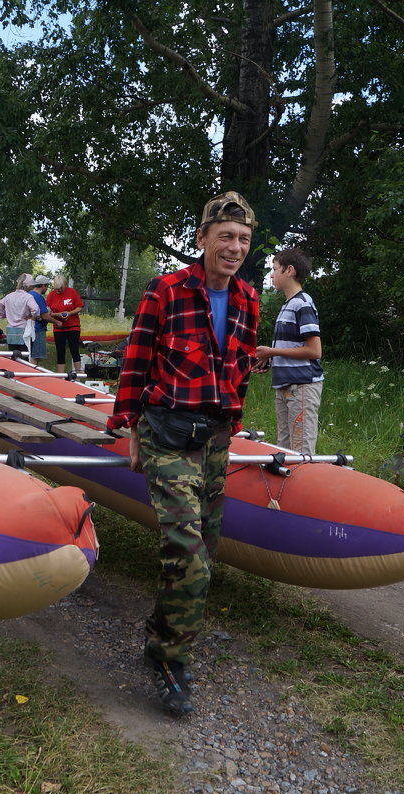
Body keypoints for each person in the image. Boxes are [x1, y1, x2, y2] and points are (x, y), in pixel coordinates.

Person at [107, 191, 260, 715]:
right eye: (225, 237)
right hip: (167, 432)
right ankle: (172, 660)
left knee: (205, 551)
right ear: (202, 240)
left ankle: (161, 632)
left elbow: (238, 367)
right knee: (189, 554)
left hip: (215, 437)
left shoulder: (249, 298)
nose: (234, 247)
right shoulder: (166, 290)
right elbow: (137, 359)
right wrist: (129, 428)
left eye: (243, 239)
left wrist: (234, 425)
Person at [254, 247, 324, 455]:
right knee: (282, 450)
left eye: (275, 269)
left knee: (301, 452)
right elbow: (291, 347)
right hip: (285, 386)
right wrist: (269, 359)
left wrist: (272, 352)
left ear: (290, 270)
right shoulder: (288, 305)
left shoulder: (303, 303)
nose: (271, 274)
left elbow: (314, 350)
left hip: (301, 387)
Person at [0, 273, 40, 359]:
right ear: (28, 285)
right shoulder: (28, 297)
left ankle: (14, 371)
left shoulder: (9, 296)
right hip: (24, 330)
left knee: (13, 356)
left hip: (11, 331)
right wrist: (32, 316)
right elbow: (36, 309)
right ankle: (23, 372)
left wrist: (5, 315)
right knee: (24, 356)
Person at [47, 273, 84, 373]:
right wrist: (57, 315)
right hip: (58, 327)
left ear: (65, 285)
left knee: (74, 349)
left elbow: (79, 307)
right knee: (60, 351)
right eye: (56, 289)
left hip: (73, 326)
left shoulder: (72, 292)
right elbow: (48, 312)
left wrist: (69, 313)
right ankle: (60, 376)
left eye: (60, 289)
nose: (58, 291)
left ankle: (78, 375)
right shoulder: (51, 295)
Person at [26, 275, 58, 363]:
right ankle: (34, 374)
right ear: (43, 285)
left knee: (29, 354)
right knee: (35, 356)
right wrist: (57, 322)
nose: (47, 288)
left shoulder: (28, 294)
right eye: (47, 286)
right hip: (38, 329)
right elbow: (44, 316)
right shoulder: (38, 297)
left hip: (28, 329)